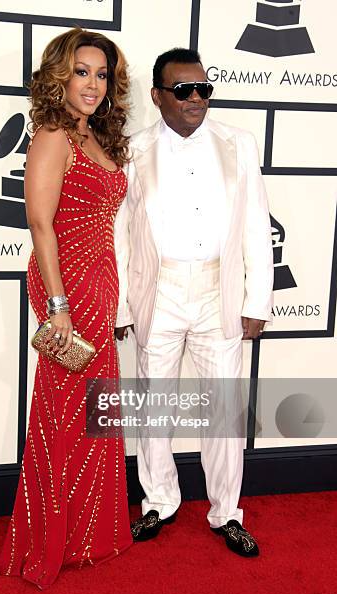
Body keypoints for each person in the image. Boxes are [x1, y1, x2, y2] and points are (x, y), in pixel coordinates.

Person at [114, 48, 273, 557]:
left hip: (216, 292)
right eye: (183, 90)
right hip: (156, 294)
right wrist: (122, 306)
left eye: (204, 89)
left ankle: (227, 511)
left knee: (223, 411)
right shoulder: (133, 150)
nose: (196, 99)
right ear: (158, 95)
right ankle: (157, 500)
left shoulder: (238, 144)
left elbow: (255, 224)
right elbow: (121, 235)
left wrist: (257, 300)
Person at [0, 28, 132, 589]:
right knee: (65, 415)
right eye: (82, 72)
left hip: (99, 285)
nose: (93, 85)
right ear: (59, 75)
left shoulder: (93, 136)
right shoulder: (53, 134)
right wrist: (58, 307)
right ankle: (49, 540)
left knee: (92, 414)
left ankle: (88, 533)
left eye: (101, 74)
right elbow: (39, 222)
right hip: (68, 287)